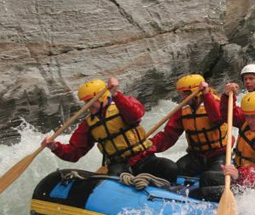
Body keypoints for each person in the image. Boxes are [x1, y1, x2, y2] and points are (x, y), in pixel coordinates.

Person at [41, 77, 178, 183]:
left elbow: (135, 114)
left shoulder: (123, 105)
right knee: (116, 184)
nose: (88, 106)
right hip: (118, 165)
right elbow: (74, 152)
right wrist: (55, 147)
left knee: (170, 168)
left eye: (90, 101)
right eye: (85, 102)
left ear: (102, 98)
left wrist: (116, 94)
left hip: (144, 158)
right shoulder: (88, 124)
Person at [150, 74, 230, 199]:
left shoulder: (215, 102)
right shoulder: (184, 109)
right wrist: (148, 146)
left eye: (186, 93)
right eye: (182, 94)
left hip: (217, 154)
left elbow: (217, 118)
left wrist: (206, 95)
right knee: (176, 171)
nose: (183, 97)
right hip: (196, 155)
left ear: (196, 93)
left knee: (211, 178)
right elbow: (169, 134)